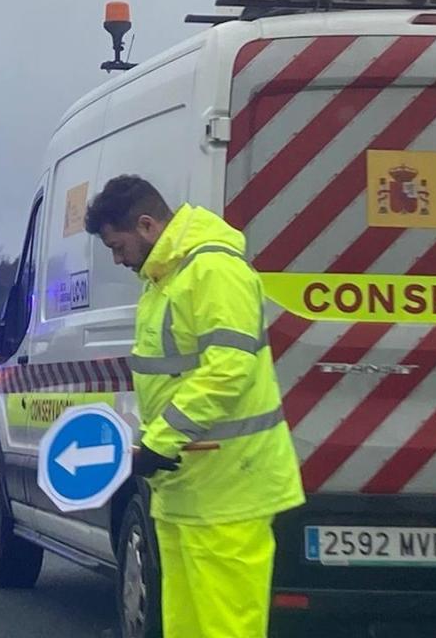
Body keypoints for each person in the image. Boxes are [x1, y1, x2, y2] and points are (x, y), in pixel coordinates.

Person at [84, 175, 304, 638]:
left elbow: (230, 369)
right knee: (187, 625)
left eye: (117, 245)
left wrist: (160, 441)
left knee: (225, 626)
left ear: (146, 225)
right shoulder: (167, 279)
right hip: (188, 486)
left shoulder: (213, 272)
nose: (117, 258)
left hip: (228, 489)